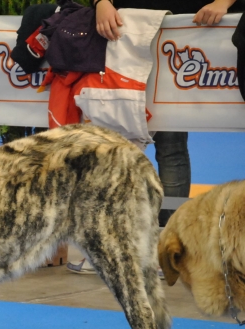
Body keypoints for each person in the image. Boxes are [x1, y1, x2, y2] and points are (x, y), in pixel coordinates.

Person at [67, 0, 245, 275]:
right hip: (121, 42)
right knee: (114, 151)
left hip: (183, 39)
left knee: (170, 148)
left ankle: (168, 249)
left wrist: (224, 2)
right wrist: (101, 2)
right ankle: (105, 249)